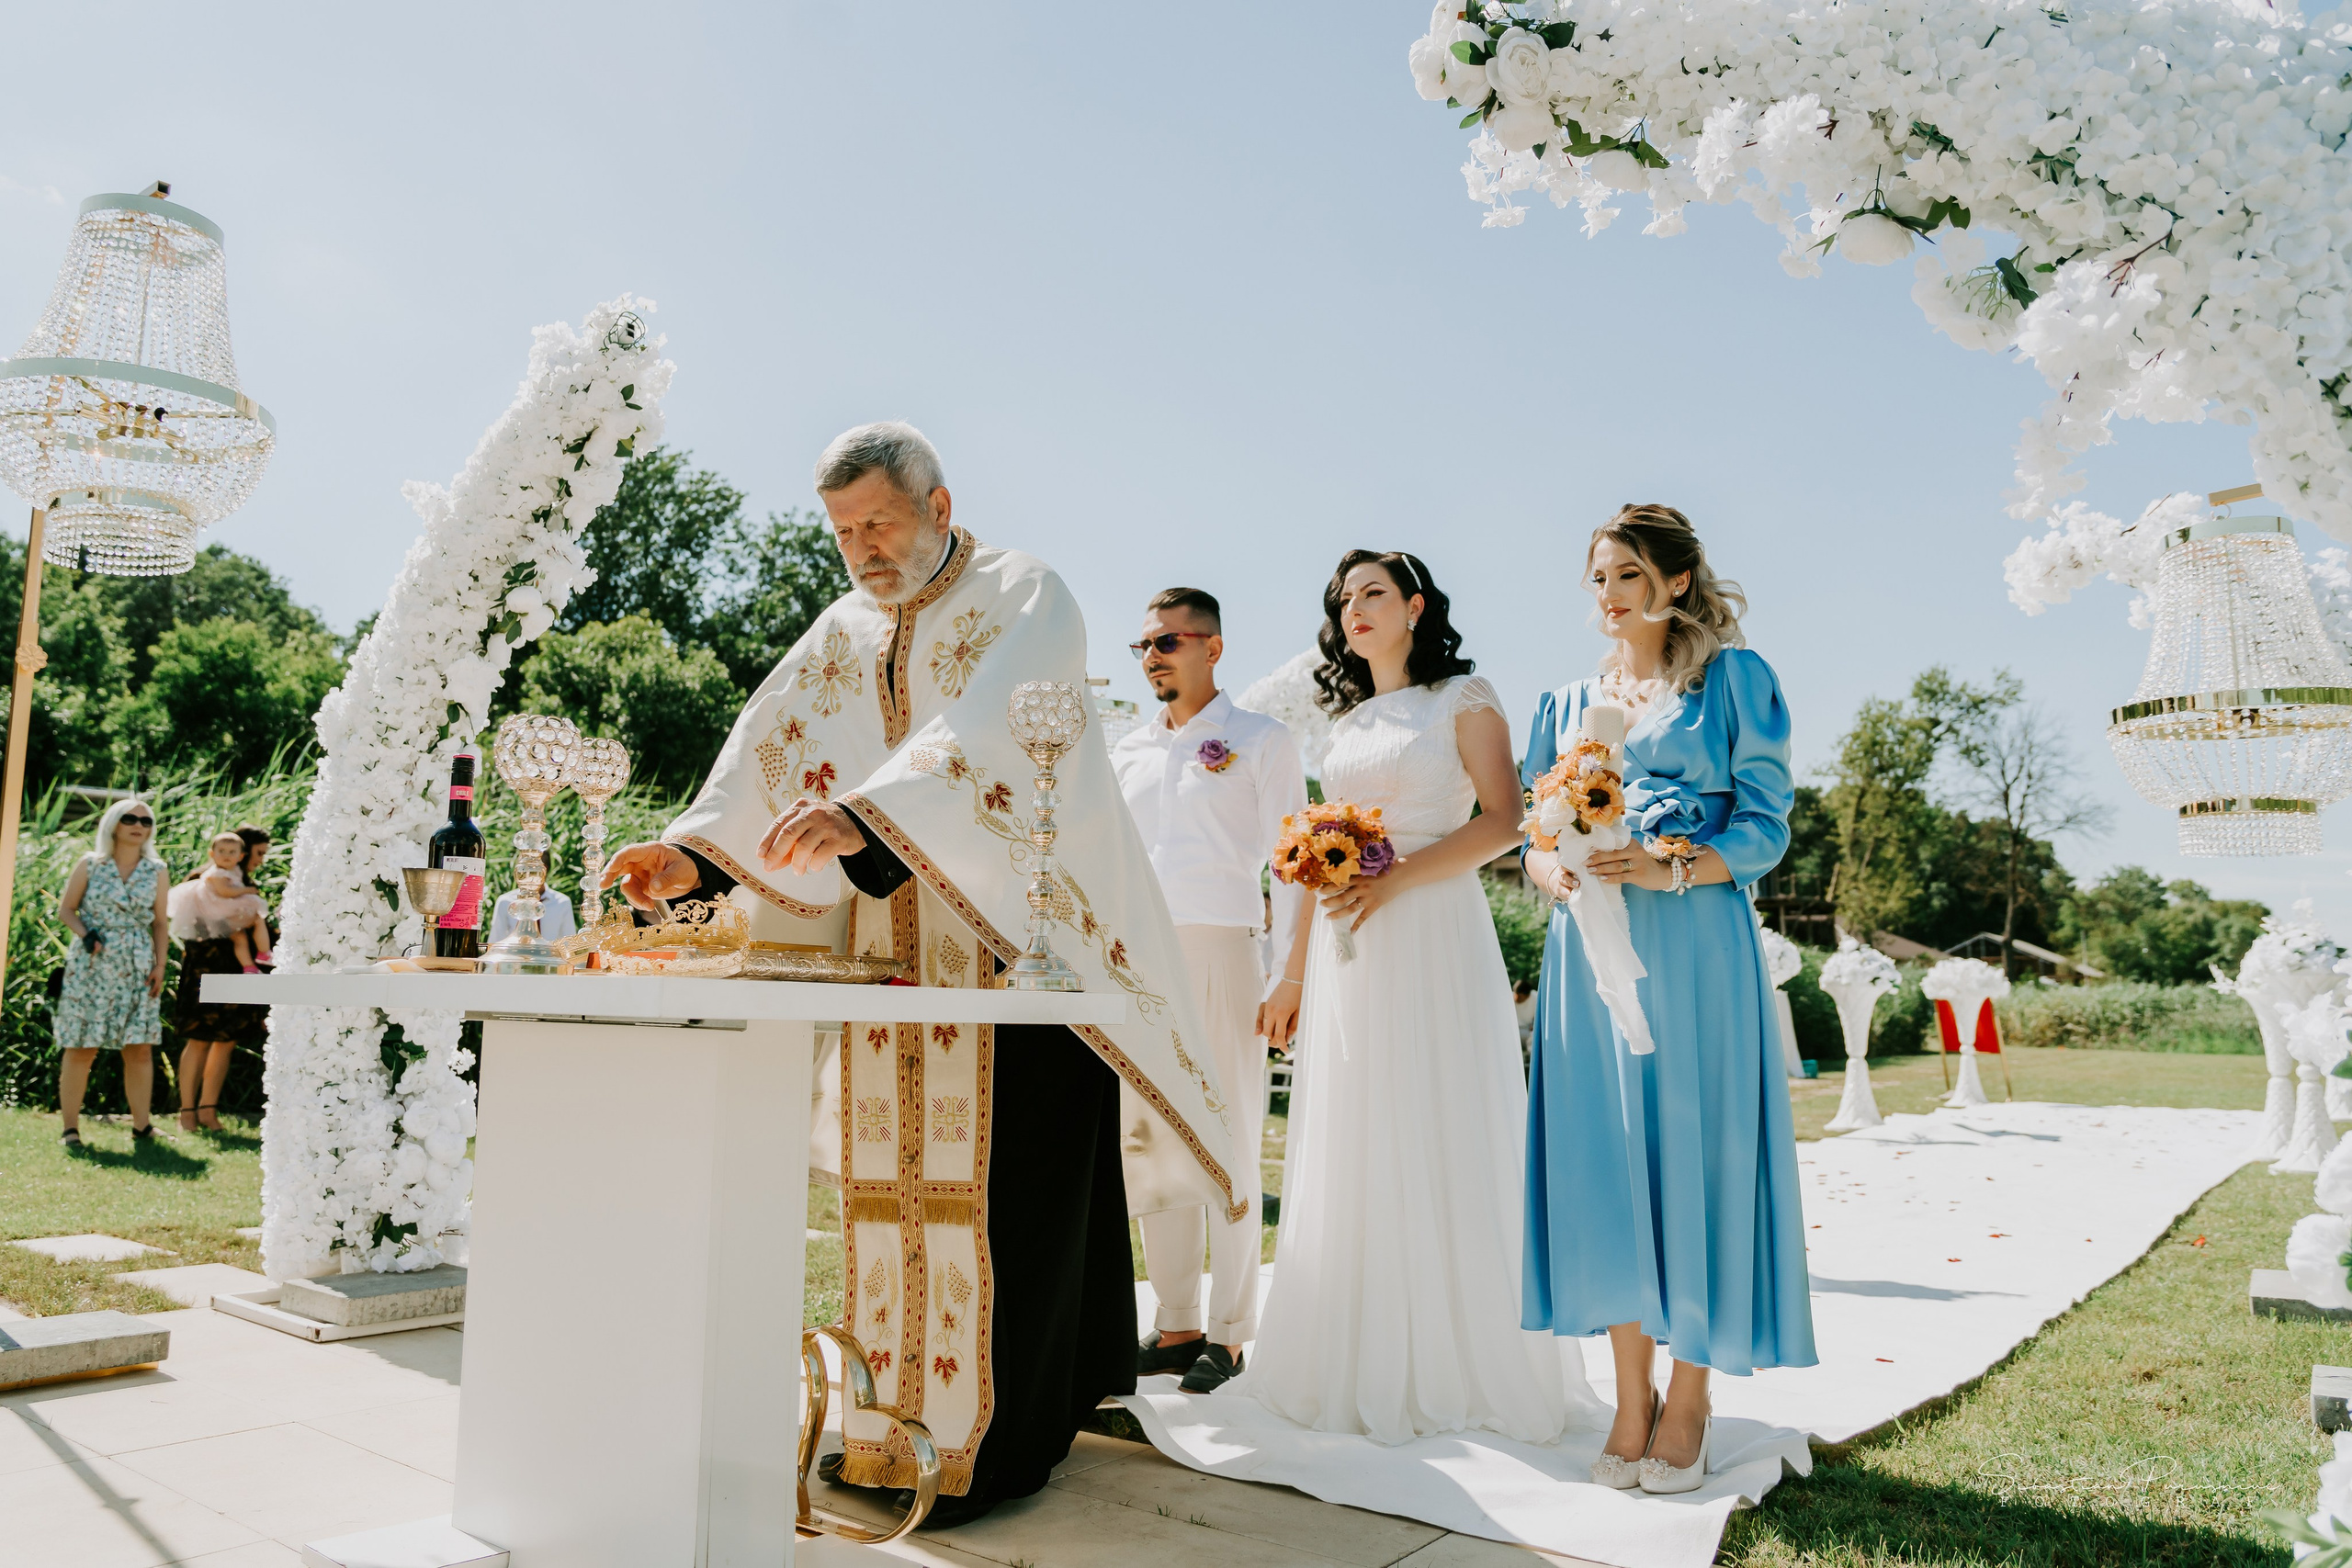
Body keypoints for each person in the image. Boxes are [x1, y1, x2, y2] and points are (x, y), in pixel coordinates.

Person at [600, 421, 1240, 1527]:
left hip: (1015, 948)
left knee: (1017, 1197)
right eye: (844, 532)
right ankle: (898, 1425)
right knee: (893, 1194)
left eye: (880, 524)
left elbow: (991, 737)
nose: (862, 549)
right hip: (889, 956)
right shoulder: (843, 625)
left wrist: (869, 812)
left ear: (939, 507)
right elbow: (763, 751)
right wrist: (693, 850)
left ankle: (1001, 1440)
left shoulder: (1023, 592)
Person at [1231, 550, 1600, 1445]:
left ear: (1414, 606)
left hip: (1432, 926)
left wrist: (1392, 882)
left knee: (1439, 1118)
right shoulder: (1344, 724)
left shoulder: (1463, 698)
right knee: (1359, 1129)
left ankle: (1455, 1358)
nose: (1352, 609)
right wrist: (1295, 971)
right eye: (1341, 598)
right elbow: (1325, 859)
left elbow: (1503, 821)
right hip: (1351, 950)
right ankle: (1356, 1352)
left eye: (1372, 594)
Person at [1520, 505, 1815, 1495]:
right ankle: (1627, 1395)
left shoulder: (1735, 681)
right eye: (1598, 578)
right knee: (1606, 1160)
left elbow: (1768, 830)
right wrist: (1554, 875)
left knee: (1694, 1151)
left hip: (1693, 945)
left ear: (1678, 583)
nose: (1609, 597)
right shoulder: (1562, 704)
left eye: (1629, 577)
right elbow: (1533, 837)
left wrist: (1666, 864)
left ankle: (1690, 1393)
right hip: (1587, 956)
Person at [1111, 586, 1306, 1393]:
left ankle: (1229, 1332)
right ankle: (1177, 1319)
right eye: (1144, 645)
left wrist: (1289, 973)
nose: (1153, 655)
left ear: (1212, 647)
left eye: (1167, 642)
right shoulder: (1120, 750)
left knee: (1226, 1134)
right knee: (1149, 1139)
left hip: (1225, 949)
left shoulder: (1261, 742)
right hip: (1135, 964)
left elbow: (1295, 867)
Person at [53, 798, 169, 1150]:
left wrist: (160, 966)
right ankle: (70, 1129)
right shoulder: (90, 864)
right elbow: (66, 910)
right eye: (130, 818)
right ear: (113, 824)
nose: (138, 825)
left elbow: (161, 922)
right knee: (81, 1046)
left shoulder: (157, 869)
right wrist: (88, 935)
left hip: (138, 965)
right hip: (93, 964)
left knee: (139, 1048)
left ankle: (142, 1127)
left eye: (146, 821)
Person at [168, 831, 273, 1131]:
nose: (261, 859)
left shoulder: (243, 885)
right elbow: (191, 926)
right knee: (199, 1039)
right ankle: (186, 1111)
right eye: (260, 853)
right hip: (205, 966)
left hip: (238, 968)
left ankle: (208, 1110)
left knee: (226, 1041)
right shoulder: (205, 879)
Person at [488, 886, 577, 945]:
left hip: (549, 965)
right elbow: (495, 941)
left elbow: (568, 943)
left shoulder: (562, 902)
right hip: (514, 964)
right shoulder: (505, 901)